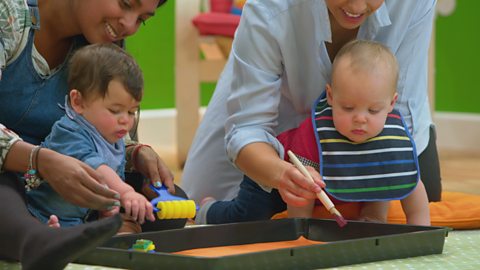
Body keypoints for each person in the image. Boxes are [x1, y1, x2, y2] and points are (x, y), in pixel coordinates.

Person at [182, 0, 442, 213]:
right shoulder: (269, 7)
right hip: (278, 126)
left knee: (423, 195)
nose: (358, 5)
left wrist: (377, 203)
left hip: (373, 128)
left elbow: (400, 110)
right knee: (214, 206)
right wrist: (281, 174)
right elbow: (249, 128)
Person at [0, 0, 175, 269]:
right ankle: (35, 239)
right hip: (14, 176)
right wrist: (40, 159)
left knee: (161, 203)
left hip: (63, 180)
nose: (129, 26)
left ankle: (96, 230)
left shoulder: (102, 47)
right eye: (126, 3)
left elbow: (103, 134)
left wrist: (135, 154)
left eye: (142, 19)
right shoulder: (8, 14)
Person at [195, 40, 430, 226]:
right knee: (248, 217)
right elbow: (301, 193)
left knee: (377, 177)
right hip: (276, 178)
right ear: (330, 96)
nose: (360, 118)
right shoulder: (314, 139)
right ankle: (209, 210)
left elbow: (408, 183)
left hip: (331, 188)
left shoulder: (391, 136)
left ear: (391, 104)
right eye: (348, 108)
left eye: (373, 109)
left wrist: (421, 230)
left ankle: (372, 215)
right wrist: (300, 230)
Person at [26, 43, 156, 231]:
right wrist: (126, 192)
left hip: (78, 219)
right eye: (115, 110)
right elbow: (95, 168)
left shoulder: (113, 137)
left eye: (131, 112)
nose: (125, 121)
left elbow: (110, 181)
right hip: (38, 214)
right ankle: (46, 236)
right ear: (78, 102)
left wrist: (107, 208)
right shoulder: (69, 132)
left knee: (128, 227)